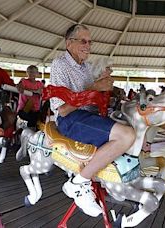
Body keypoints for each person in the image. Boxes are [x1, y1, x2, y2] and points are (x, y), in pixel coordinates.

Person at [50, 24, 135, 217]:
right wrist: (95, 87)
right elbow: (63, 109)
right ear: (69, 42)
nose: (88, 46)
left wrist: (104, 87)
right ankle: (79, 182)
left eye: (90, 42)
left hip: (88, 116)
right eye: (83, 41)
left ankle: (108, 178)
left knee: (132, 126)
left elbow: (92, 95)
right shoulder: (60, 65)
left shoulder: (87, 67)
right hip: (70, 119)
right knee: (126, 136)